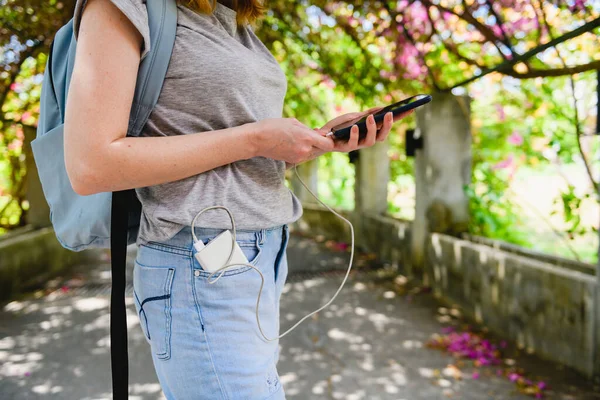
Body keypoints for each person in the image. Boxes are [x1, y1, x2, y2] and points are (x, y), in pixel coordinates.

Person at [65, 0, 411, 398]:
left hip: (261, 257)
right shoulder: (127, 5)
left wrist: (313, 141)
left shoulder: (232, 21)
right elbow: (91, 165)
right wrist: (256, 139)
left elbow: (231, 150)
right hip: (202, 263)